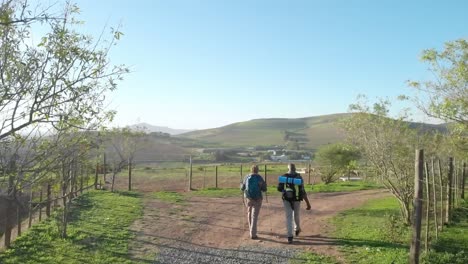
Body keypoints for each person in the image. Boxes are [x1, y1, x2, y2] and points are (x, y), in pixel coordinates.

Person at [277, 163, 311, 244]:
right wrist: (308, 203)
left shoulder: (284, 177)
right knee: (296, 215)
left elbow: (279, 188)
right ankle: (297, 229)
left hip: (286, 199)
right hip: (296, 199)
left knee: (288, 217)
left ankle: (289, 236)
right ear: (295, 169)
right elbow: (302, 191)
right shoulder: (299, 177)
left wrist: (284, 191)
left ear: (288, 168)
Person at [241, 165, 267, 239]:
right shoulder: (260, 178)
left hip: (248, 198)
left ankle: (250, 229)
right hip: (258, 198)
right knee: (254, 216)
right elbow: (264, 189)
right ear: (257, 170)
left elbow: (242, 188)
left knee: (249, 212)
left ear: (251, 170)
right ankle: (253, 233)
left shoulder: (246, 177)